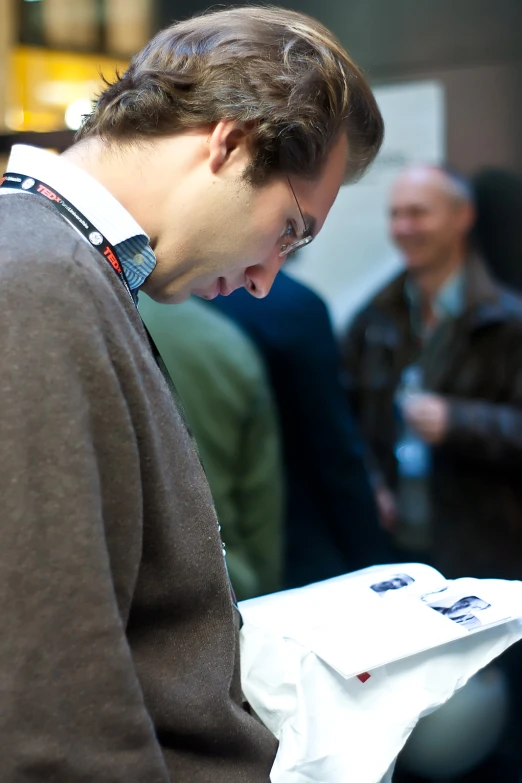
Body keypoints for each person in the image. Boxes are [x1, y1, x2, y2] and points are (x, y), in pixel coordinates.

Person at [0, 5, 384, 780]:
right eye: (289, 228)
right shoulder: (37, 279)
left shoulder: (67, 270)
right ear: (231, 141)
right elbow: (50, 708)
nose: (265, 277)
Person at [341, 165, 522, 582]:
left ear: (462, 217)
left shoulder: (508, 322)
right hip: (397, 546)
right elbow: (346, 418)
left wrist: (458, 421)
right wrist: (372, 482)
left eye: (418, 213)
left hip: (484, 551)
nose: (403, 227)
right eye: (394, 214)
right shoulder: (372, 320)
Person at [211, 269, 391, 589]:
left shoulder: (173, 302)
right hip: (291, 520)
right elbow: (331, 445)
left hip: (209, 515)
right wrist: (372, 558)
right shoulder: (291, 306)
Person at [139, 294, 283, 600]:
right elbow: (260, 505)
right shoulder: (225, 341)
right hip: (228, 585)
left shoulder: (70, 324)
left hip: (134, 597)